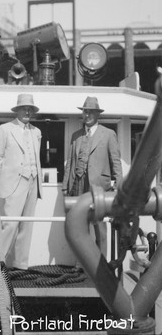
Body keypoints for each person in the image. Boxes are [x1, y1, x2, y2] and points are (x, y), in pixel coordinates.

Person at [62, 96, 122, 257]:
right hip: (77, 185)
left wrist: (119, 187)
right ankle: (81, 263)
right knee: (79, 227)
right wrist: (65, 187)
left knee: (100, 228)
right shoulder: (76, 136)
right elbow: (70, 163)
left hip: (99, 188)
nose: (87, 115)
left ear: (97, 115)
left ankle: (101, 264)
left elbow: (116, 162)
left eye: (91, 112)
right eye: (85, 112)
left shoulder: (109, 134)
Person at [0, 93, 42, 270]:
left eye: (30, 109)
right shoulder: (5, 129)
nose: (27, 111)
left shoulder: (37, 132)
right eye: (24, 108)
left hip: (33, 183)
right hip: (13, 185)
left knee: (26, 227)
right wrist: (4, 180)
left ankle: (20, 266)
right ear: (17, 110)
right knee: (9, 225)